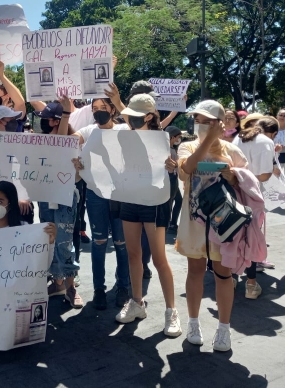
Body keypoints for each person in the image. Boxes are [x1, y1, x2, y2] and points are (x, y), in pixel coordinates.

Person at [105, 94, 181, 336]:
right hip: (130, 199)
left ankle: (171, 311)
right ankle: (137, 302)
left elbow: (171, 168)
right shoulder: (126, 137)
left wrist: (173, 167)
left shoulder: (161, 140)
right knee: (133, 254)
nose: (131, 120)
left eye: (137, 116)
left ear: (149, 116)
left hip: (154, 201)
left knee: (159, 259)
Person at [176, 100, 248, 351]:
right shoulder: (186, 146)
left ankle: (224, 328)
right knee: (195, 269)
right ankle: (193, 322)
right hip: (194, 220)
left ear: (219, 123)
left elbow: (247, 188)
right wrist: (207, 141)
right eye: (198, 120)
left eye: (208, 121)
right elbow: (186, 170)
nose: (201, 125)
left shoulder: (233, 151)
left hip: (224, 223)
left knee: (223, 273)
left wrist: (232, 175)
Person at [73, 88, 131, 310]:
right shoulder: (88, 131)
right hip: (96, 195)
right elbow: (70, 141)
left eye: (102, 108)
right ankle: (99, 290)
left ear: (112, 109)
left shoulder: (124, 129)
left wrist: (118, 98)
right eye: (94, 108)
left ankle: (123, 286)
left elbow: (140, 128)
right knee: (99, 243)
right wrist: (73, 159)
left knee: (121, 243)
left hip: (122, 195)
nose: (98, 112)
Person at [33, 97, 84, 308]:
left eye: (46, 119)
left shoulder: (73, 141)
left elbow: (78, 176)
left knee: (64, 241)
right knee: (50, 239)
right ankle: (58, 282)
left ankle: (71, 287)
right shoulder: (39, 142)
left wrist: (65, 113)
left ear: (55, 121)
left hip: (65, 197)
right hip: (45, 196)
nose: (42, 123)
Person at [235, 116, 280, 299]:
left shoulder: (240, 137)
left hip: (235, 191)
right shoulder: (266, 142)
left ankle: (230, 277)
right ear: (274, 133)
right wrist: (274, 171)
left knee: (234, 236)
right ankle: (251, 284)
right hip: (254, 195)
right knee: (252, 237)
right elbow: (263, 175)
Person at [165, 126, 183, 233]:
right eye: (178, 137)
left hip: (174, 177)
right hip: (170, 178)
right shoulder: (167, 149)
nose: (178, 140)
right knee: (170, 202)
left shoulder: (172, 148)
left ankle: (172, 223)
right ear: (172, 137)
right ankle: (168, 224)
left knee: (178, 200)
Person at [275, 108, 285, 177]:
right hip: (275, 157)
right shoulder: (271, 129)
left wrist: (282, 146)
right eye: (280, 115)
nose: (282, 117)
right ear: (277, 116)